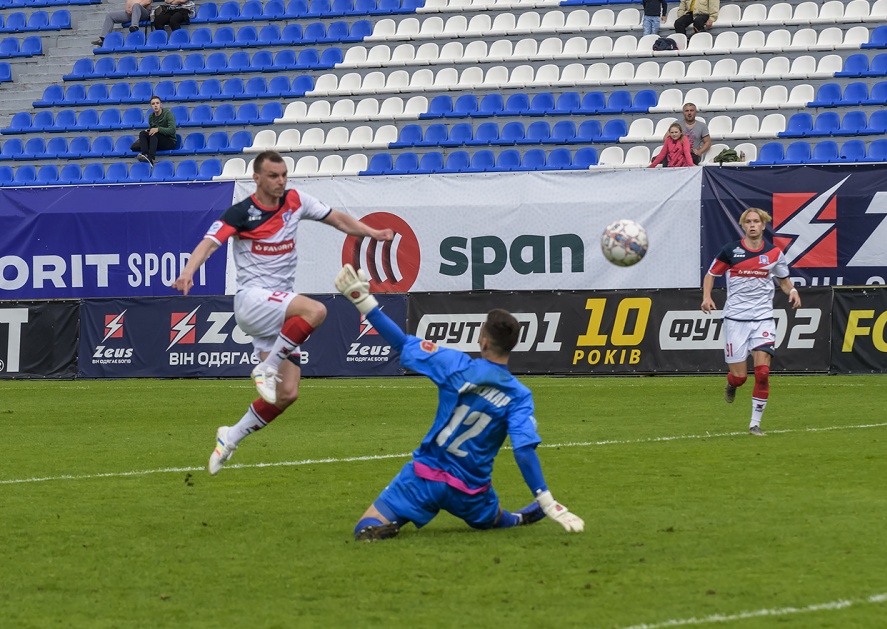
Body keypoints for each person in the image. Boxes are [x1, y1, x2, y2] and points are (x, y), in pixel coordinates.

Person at [170, 151, 396, 475]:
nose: (280, 181)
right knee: (316, 310)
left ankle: (230, 436)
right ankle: (267, 367)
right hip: (252, 300)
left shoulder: (295, 200)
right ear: (257, 178)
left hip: (277, 311)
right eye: (273, 176)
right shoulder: (241, 212)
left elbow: (337, 219)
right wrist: (188, 271)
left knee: (287, 393)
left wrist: (371, 233)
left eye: (284, 175)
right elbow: (209, 242)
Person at [334, 264, 585, 541]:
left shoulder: (456, 365)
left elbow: (402, 343)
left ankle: (387, 525)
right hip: (470, 489)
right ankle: (518, 518)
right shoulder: (519, 395)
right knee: (493, 519)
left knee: (366, 526)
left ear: (484, 342)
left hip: (424, 475)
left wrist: (363, 301)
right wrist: (547, 500)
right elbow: (524, 450)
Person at [700, 208, 801, 436]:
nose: (752, 225)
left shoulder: (774, 253)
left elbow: (784, 281)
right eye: (748, 222)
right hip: (735, 319)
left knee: (763, 372)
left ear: (763, 225)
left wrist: (793, 291)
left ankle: (754, 424)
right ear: (743, 225)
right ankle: (732, 383)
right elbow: (711, 275)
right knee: (740, 377)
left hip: (763, 318)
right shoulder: (730, 251)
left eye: (756, 221)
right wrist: (706, 297)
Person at [130, 96, 176, 165]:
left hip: (169, 141)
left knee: (154, 134)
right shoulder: (151, 116)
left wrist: (158, 129)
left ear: (161, 104)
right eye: (153, 104)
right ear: (151, 106)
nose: (155, 105)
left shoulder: (168, 114)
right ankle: (145, 155)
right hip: (157, 140)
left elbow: (172, 130)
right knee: (142, 133)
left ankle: (150, 157)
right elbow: (153, 129)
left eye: (157, 103)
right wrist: (149, 130)